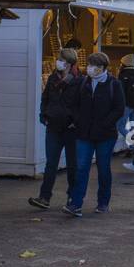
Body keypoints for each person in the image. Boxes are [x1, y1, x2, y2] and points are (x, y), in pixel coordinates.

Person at [66, 52, 125, 216]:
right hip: (84, 133)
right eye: (90, 65)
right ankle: (76, 203)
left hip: (105, 135)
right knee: (82, 168)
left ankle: (103, 202)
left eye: (95, 66)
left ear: (103, 68)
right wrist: (78, 120)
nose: (91, 69)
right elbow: (74, 104)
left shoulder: (114, 84)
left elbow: (119, 108)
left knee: (103, 168)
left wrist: (105, 123)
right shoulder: (84, 82)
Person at [29, 50, 78, 209]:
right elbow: (45, 98)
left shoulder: (79, 81)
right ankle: (44, 197)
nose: (58, 61)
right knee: (51, 164)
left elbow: (82, 105)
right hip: (53, 127)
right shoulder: (52, 79)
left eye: (60, 59)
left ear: (69, 64)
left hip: (71, 129)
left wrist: (75, 122)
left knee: (72, 165)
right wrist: (44, 115)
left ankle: (72, 197)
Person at [116, 53, 134, 151]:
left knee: (120, 125)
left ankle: (133, 144)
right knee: (133, 125)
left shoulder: (123, 75)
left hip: (126, 104)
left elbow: (120, 92)